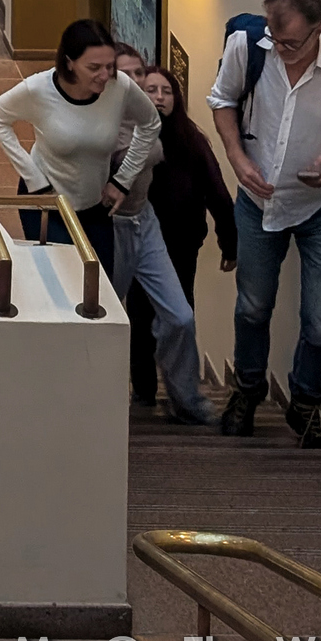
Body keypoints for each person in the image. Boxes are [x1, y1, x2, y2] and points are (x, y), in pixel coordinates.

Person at [209, 0, 321, 447]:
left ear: (318, 31)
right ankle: (247, 391)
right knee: (252, 308)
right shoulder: (248, 47)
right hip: (258, 204)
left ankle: (306, 404)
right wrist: (236, 158)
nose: (280, 49)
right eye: (273, 36)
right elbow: (222, 100)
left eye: (290, 42)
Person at [0, 17, 159, 279]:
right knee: (60, 280)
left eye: (110, 66)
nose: (105, 75)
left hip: (96, 206)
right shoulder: (38, 89)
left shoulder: (120, 86)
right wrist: (35, 180)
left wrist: (123, 181)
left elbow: (150, 123)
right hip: (46, 205)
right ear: (69, 63)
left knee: (99, 284)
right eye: (94, 67)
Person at [107, 47, 215, 424]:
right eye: (126, 74)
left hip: (146, 223)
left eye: (139, 72)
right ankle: (98, 406)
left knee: (180, 316)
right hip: (112, 227)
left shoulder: (148, 117)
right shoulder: (100, 123)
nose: (137, 81)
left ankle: (186, 401)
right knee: (107, 320)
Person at [127, 63, 237, 409]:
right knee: (139, 318)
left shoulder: (192, 141)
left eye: (167, 91)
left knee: (180, 317)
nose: (160, 98)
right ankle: (144, 391)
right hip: (137, 241)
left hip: (181, 245)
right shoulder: (127, 136)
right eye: (151, 91)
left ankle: (181, 397)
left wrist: (229, 243)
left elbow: (218, 193)